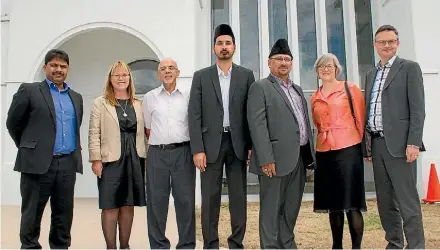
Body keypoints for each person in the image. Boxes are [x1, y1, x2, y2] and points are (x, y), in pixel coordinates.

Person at [6, 49, 83, 249]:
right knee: (32, 213)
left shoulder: (76, 97)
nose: (58, 69)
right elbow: (13, 123)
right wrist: (30, 147)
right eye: (54, 65)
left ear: (68, 69)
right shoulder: (29, 90)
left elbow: (76, 127)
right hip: (37, 163)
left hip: (67, 163)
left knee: (63, 214)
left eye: (63, 66)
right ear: (45, 67)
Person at [188, 24, 255, 249]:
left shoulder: (246, 76)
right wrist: (197, 149)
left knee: (238, 198)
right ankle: (211, 244)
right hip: (209, 146)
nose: (224, 47)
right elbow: (194, 114)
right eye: (220, 43)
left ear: (234, 47)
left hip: (238, 145)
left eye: (228, 43)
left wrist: (251, 146)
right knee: (209, 198)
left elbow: (251, 114)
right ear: (213, 48)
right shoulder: (201, 77)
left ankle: (236, 243)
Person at [247, 39, 315, 249]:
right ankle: (270, 246)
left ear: (292, 63)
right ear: (269, 62)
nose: (283, 63)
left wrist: (310, 157)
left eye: (287, 59)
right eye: (278, 59)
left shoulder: (297, 90)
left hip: (299, 159)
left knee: (291, 207)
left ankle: (287, 242)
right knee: (271, 209)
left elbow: (302, 123)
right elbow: (257, 126)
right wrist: (266, 158)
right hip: (274, 161)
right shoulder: (260, 87)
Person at [362, 24, 425, 249]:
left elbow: (418, 110)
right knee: (385, 201)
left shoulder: (409, 68)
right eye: (382, 42)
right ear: (375, 45)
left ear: (397, 43)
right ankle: (394, 244)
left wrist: (413, 143)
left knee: (407, 202)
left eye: (391, 41)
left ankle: (416, 246)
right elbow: (368, 111)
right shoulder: (370, 74)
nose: (387, 45)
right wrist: (367, 147)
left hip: (401, 146)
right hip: (377, 145)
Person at [88, 61, 147, 249]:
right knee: (110, 204)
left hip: (135, 158)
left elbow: (145, 133)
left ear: (130, 78)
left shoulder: (139, 104)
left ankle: (125, 246)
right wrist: (95, 159)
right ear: (110, 79)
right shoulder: (100, 103)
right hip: (110, 159)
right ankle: (110, 247)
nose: (121, 78)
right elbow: (93, 132)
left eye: (125, 75)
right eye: (117, 75)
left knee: (128, 204)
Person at [311, 53, 367, 249]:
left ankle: (356, 247)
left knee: (351, 202)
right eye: (322, 66)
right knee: (333, 204)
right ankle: (337, 246)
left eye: (329, 66)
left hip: (348, 148)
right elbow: (317, 124)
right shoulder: (315, 96)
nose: (326, 69)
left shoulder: (349, 88)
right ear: (317, 71)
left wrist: (362, 147)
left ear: (337, 69)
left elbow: (360, 118)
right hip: (325, 151)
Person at [143, 58, 196, 249]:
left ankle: (187, 245)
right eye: (163, 69)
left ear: (178, 72)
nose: (167, 71)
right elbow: (148, 127)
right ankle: (158, 245)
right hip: (158, 154)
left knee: (185, 201)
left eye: (171, 68)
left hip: (183, 153)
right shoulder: (150, 97)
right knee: (157, 203)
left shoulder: (188, 96)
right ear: (158, 74)